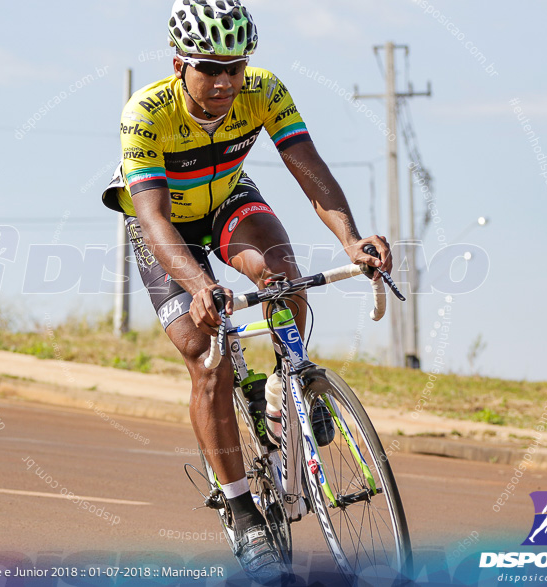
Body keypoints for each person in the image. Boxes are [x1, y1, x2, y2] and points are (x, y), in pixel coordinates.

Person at [101, 0, 392, 581]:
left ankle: (292, 388)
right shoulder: (146, 112)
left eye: (236, 67)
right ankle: (240, 511)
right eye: (211, 67)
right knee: (205, 358)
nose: (226, 81)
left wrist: (353, 240)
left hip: (228, 198)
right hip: (164, 224)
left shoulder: (263, 90)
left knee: (282, 274)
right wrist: (202, 284)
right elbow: (155, 219)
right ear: (180, 63)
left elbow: (308, 166)